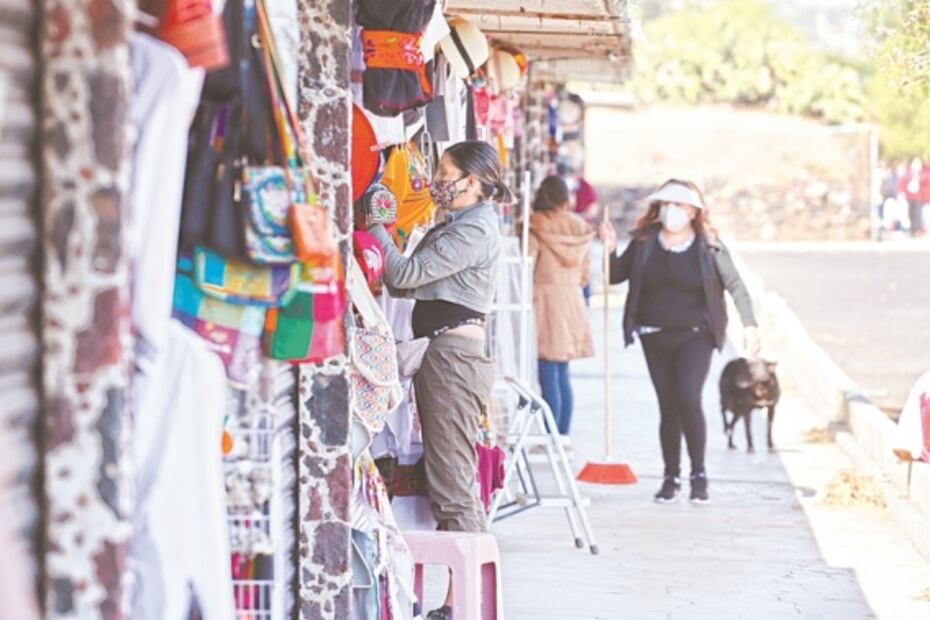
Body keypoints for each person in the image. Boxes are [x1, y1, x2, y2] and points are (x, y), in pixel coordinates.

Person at [368, 140, 508, 620]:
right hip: (444, 353)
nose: (436, 181)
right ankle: (459, 600)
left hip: (453, 358)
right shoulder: (461, 225)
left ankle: (464, 602)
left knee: (452, 480)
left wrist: (376, 227)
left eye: (445, 172)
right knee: (447, 475)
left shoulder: (474, 230)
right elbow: (400, 280)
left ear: (472, 181)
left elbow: (402, 275)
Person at [599, 179, 761, 504]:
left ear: (694, 211)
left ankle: (698, 474)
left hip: (696, 336)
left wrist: (750, 325)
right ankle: (670, 475)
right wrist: (611, 249)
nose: (673, 211)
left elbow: (736, 286)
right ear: (658, 209)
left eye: (681, 206)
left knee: (689, 398)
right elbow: (615, 275)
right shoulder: (645, 241)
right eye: (667, 205)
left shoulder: (709, 245)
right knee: (668, 406)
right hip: (653, 335)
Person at [529, 175, 595, 441]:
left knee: (547, 373)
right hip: (572, 302)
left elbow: (526, 266)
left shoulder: (535, 226)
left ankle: (551, 437)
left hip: (545, 302)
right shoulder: (579, 227)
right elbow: (585, 274)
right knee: (562, 371)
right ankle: (563, 435)